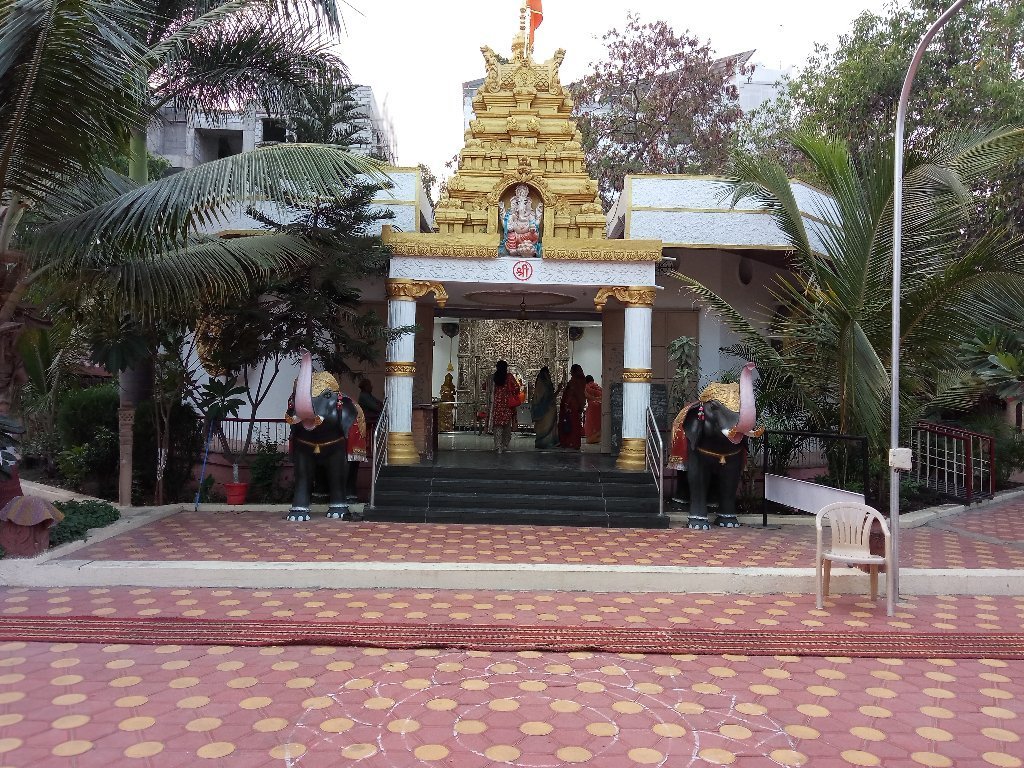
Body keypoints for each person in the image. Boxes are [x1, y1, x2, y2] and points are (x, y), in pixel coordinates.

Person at [347, 379, 383, 500]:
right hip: (367, 422)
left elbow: (377, 403)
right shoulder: (364, 396)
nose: (372, 386)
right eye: (370, 385)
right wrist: (380, 406)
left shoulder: (368, 395)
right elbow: (375, 406)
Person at [485, 360, 520, 453]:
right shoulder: (509, 377)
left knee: (497, 426)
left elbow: (485, 388)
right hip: (506, 405)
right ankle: (505, 444)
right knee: (506, 426)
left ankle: (498, 446)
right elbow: (517, 388)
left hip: (496, 405)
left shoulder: (492, 377)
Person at [530, 366, 561, 449]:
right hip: (545, 411)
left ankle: (547, 443)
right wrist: (558, 390)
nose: (549, 375)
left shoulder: (545, 383)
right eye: (548, 373)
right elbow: (546, 397)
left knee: (547, 427)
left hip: (547, 410)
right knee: (545, 427)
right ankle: (544, 443)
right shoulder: (543, 384)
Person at [558, 364, 586, 449]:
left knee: (569, 423)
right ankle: (575, 443)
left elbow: (571, 393)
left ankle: (568, 442)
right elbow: (581, 395)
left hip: (571, 405)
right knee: (575, 424)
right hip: (577, 405)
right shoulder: (582, 380)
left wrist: (566, 405)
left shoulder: (574, 381)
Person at [584, 375, 603, 445]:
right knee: (598, 423)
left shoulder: (586, 387)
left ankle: (591, 439)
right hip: (600, 406)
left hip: (592, 407)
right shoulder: (598, 387)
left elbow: (586, 395)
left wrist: (594, 399)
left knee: (591, 424)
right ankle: (598, 438)